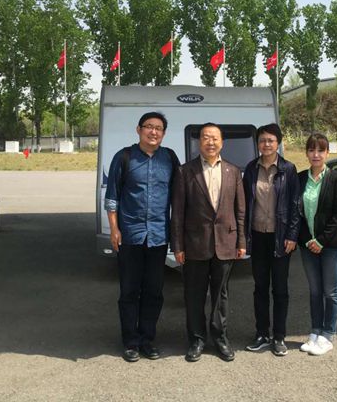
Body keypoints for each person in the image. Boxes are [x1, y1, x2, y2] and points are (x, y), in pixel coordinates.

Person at [104, 111, 180, 362]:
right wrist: (114, 229)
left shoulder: (169, 158)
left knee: (154, 291)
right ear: (139, 130)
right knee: (129, 290)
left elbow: (179, 197)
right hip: (130, 236)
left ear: (164, 133)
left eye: (158, 128)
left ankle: (147, 339)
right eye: (149, 126)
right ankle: (130, 341)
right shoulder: (124, 157)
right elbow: (112, 197)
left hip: (158, 236)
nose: (153, 132)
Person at [171, 123, 246, 362]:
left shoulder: (233, 171)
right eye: (205, 137)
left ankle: (220, 338)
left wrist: (241, 241)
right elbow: (178, 213)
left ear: (222, 142)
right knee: (194, 295)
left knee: (220, 295)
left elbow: (240, 211)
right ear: (198, 142)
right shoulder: (185, 171)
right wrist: (178, 246)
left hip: (226, 243)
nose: (210, 142)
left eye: (214, 138)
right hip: (195, 244)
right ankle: (197, 339)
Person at [242, 123, 300, 356]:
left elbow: (295, 205)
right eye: (262, 140)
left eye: (271, 140)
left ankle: (279, 336)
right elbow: (245, 204)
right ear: (257, 143)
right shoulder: (251, 168)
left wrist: (292, 235)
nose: (266, 144)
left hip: (280, 238)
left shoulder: (288, 169)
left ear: (278, 143)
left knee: (280, 289)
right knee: (260, 287)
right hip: (257, 236)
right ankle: (262, 334)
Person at [297, 132, 337, 356]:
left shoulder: (335, 178)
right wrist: (308, 240)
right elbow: (297, 213)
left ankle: (328, 335)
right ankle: (315, 332)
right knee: (315, 291)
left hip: (330, 246)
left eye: (320, 150)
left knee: (330, 292)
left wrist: (321, 241)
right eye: (311, 150)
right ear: (306, 153)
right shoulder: (300, 178)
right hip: (308, 246)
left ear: (327, 153)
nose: (315, 154)